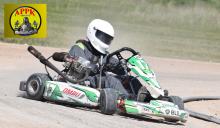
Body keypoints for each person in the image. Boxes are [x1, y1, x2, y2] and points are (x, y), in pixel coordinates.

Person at [68, 19, 130, 97]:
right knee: (110, 80)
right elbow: (81, 68)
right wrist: (99, 67)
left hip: (98, 80)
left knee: (130, 79)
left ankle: (146, 99)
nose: (104, 40)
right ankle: (127, 101)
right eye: (102, 37)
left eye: (107, 39)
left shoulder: (102, 54)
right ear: (92, 32)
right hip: (84, 81)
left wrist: (126, 66)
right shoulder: (79, 48)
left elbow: (114, 64)